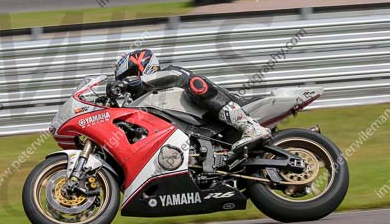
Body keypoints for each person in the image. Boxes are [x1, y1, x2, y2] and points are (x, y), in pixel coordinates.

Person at [112, 49, 271, 153]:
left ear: (143, 66)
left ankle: (250, 127)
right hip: (215, 136)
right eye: (124, 79)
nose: (128, 81)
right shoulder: (147, 102)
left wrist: (138, 82)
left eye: (130, 75)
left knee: (195, 84)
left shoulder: (170, 73)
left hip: (238, 108)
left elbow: (172, 76)